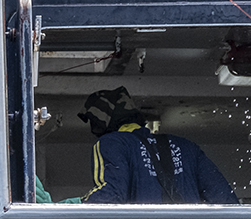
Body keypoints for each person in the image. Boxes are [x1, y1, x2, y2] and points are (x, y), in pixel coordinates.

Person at [77, 86, 238, 204]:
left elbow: (110, 197)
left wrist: (71, 206)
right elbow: (226, 201)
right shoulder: (187, 147)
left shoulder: (112, 143)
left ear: (100, 124)